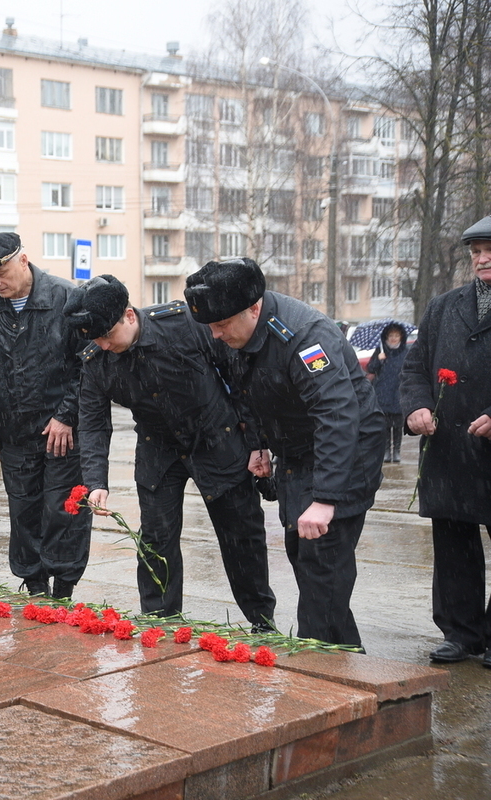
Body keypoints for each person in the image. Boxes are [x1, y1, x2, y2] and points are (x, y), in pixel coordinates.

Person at [184, 257, 383, 648]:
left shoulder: (305, 337)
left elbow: (337, 415)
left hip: (345, 451)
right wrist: (259, 442)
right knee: (304, 556)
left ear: (254, 308)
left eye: (221, 325)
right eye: (210, 326)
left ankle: (316, 672)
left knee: (321, 565)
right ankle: (348, 661)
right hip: (298, 452)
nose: (216, 334)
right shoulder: (239, 331)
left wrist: (326, 499)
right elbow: (248, 389)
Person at [64, 275, 276, 628]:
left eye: (107, 335)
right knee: (155, 542)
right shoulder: (96, 359)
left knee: (241, 538)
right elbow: (93, 422)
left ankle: (261, 620)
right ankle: (160, 622)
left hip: (216, 440)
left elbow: (239, 376)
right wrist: (96, 481)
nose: (102, 345)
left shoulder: (185, 325)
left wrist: (256, 440)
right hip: (158, 449)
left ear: (129, 316)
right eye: (95, 339)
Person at [0, 232, 89, 598]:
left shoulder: (65, 298)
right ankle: (36, 585)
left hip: (62, 430)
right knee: (24, 512)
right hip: (15, 432)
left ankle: (65, 589)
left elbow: (88, 366)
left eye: (2, 273)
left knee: (64, 511)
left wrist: (67, 414)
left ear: (23, 260)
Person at [400, 215, 491, 666]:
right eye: (476, 251)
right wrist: (416, 407)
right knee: (454, 548)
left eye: (490, 249)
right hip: (450, 451)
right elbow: (415, 367)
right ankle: (462, 633)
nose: (482, 258)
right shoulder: (443, 307)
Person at [366, 322, 410, 463]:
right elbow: (371, 369)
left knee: (397, 425)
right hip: (382, 392)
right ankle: (386, 451)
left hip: (398, 392)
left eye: (396, 335)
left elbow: (410, 370)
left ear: (401, 337)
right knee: (384, 425)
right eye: (391, 335)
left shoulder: (405, 352)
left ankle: (396, 450)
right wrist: (378, 361)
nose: (393, 338)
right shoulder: (380, 350)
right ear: (386, 336)